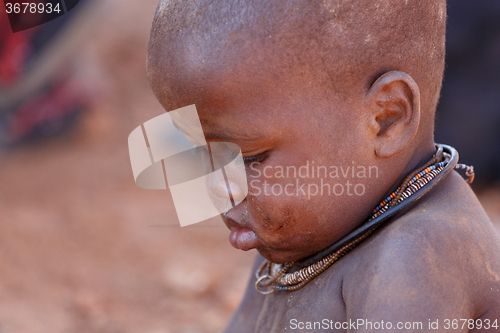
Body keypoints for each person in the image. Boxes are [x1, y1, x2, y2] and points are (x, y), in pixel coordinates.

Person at [146, 0, 500, 331]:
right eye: (200, 156)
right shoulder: (307, 234)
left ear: (387, 119)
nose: (219, 187)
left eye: (251, 157)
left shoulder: (416, 258)